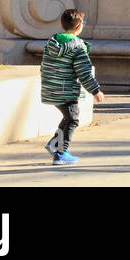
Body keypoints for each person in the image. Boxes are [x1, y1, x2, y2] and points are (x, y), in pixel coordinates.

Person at [40, 8, 104, 167]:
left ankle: (55, 144)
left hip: (50, 89)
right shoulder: (78, 46)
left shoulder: (52, 42)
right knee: (73, 119)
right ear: (78, 27)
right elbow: (84, 73)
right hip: (66, 91)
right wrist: (95, 90)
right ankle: (61, 153)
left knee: (68, 118)